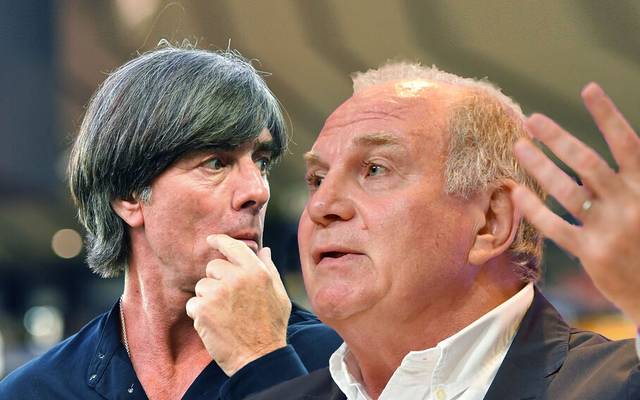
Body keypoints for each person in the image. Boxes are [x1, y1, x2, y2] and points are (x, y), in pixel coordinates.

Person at [248, 63, 640, 399]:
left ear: (490, 221)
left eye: (375, 169)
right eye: (317, 179)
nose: (320, 206)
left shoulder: (619, 386)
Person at [0, 44, 341, 399]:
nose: (258, 190)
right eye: (216, 163)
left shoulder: (344, 364)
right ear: (128, 195)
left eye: (261, 162)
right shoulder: (34, 391)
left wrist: (263, 362)